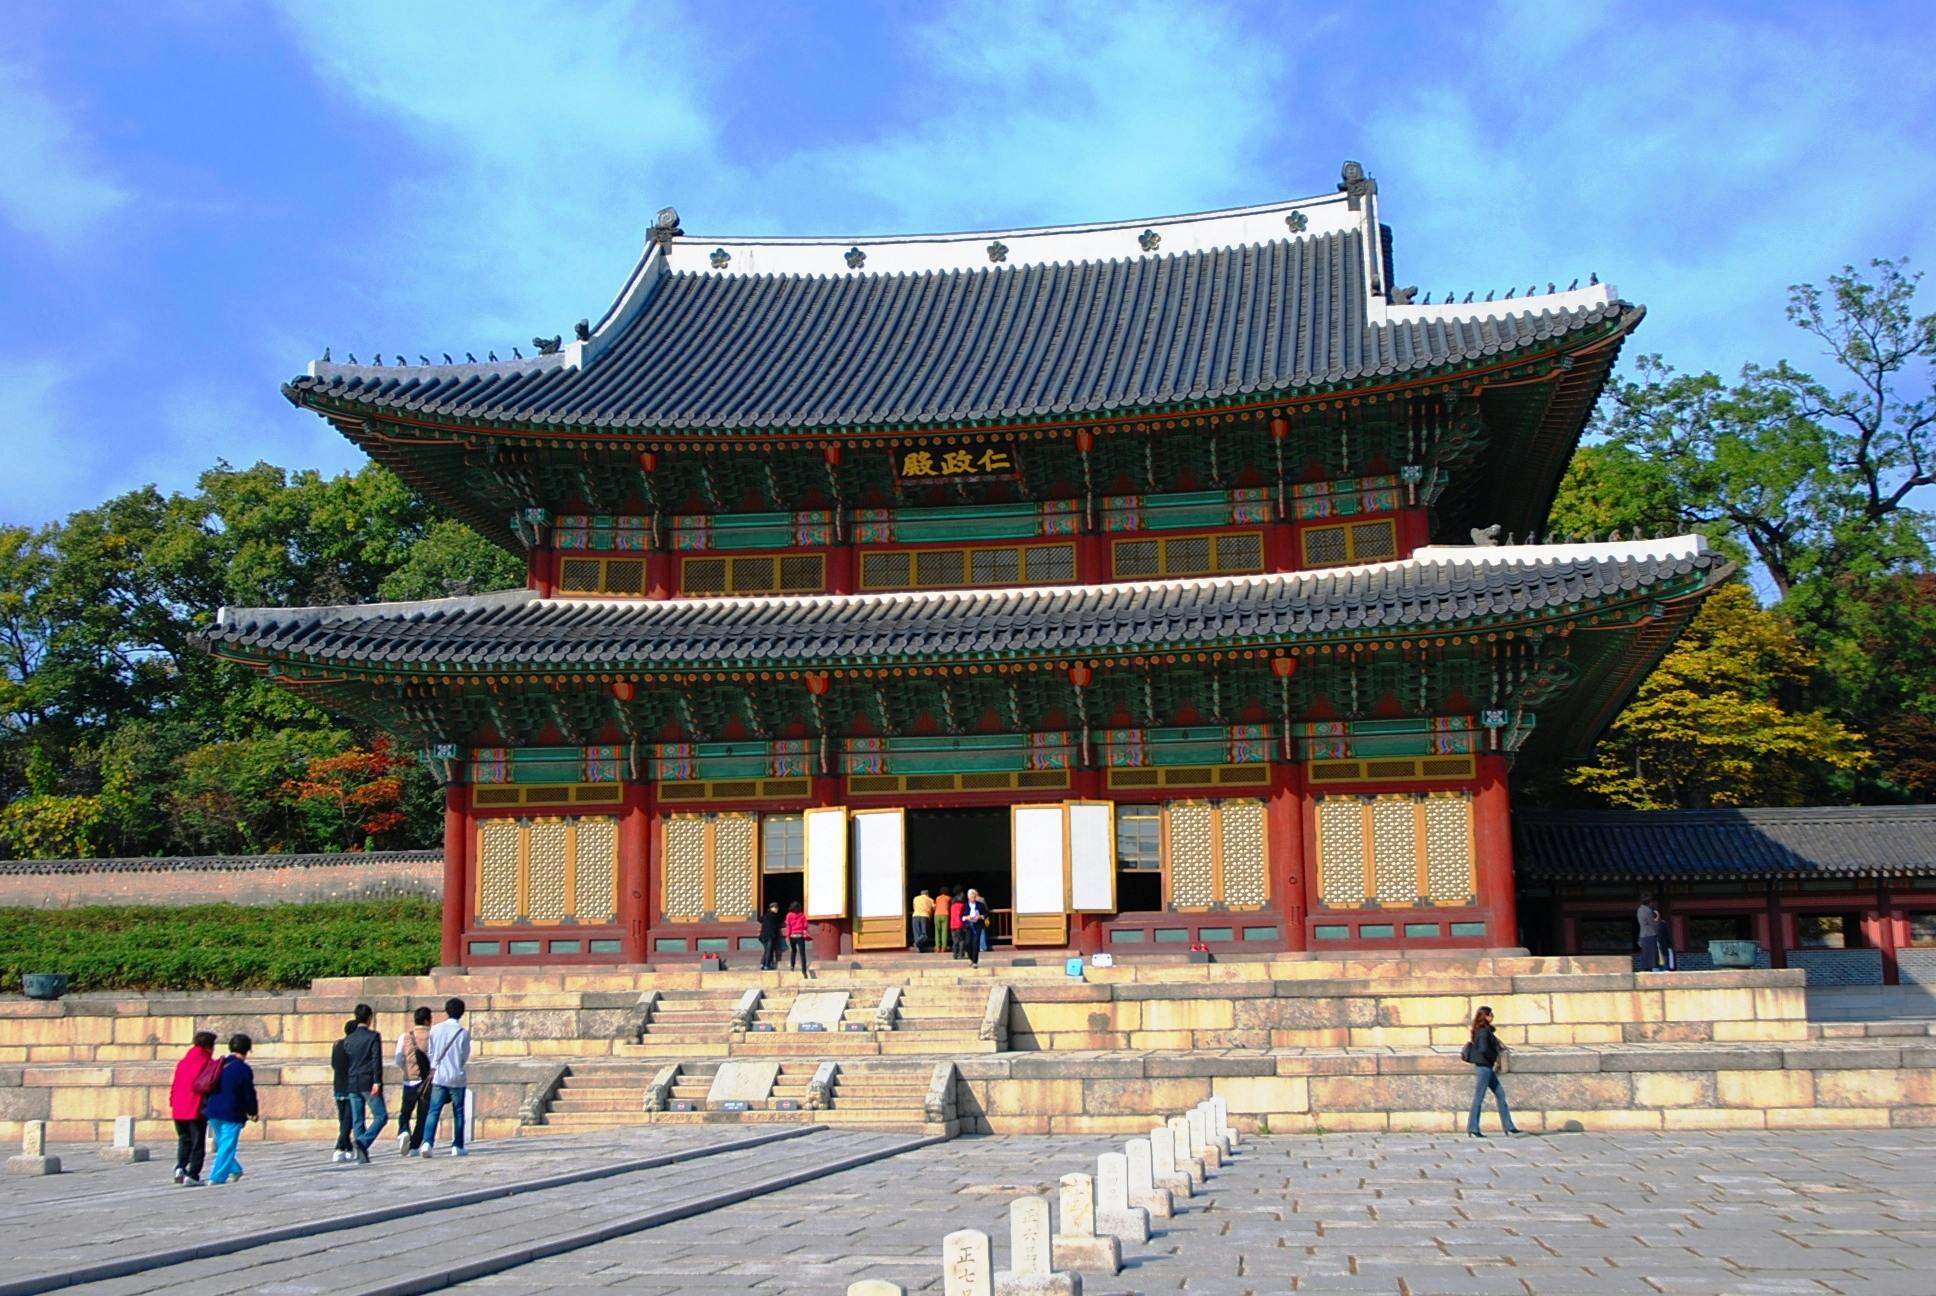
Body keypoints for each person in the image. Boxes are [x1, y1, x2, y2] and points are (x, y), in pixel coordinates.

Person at [419, 998, 472, 1158]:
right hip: (456, 1076)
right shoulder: (463, 1033)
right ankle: (457, 1145)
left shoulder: (435, 1029)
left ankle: (427, 1142)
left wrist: (435, 1064)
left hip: (439, 1076)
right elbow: (464, 1056)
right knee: (459, 1112)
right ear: (461, 1013)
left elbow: (430, 1052)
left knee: (433, 1111)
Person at [168, 1029, 221, 1186]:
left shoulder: (183, 1062)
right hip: (195, 1108)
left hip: (178, 1108)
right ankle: (193, 1174)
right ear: (209, 1047)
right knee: (197, 1143)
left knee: (184, 1140)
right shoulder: (207, 1063)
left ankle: (180, 1167)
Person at [204, 1034, 258, 1185]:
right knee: (227, 1145)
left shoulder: (219, 1064)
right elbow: (249, 1092)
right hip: (232, 1111)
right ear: (247, 1050)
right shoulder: (243, 1069)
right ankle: (217, 1177)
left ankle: (235, 1169)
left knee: (223, 1143)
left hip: (213, 1109)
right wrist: (253, 1111)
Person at [1462, 1006, 1521, 1138]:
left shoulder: (1483, 1030)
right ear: (1486, 1016)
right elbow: (1483, 1049)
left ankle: (1509, 1126)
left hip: (1486, 1067)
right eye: (1491, 1014)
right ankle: (1473, 1127)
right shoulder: (1483, 1032)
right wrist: (1493, 1056)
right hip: (1484, 1067)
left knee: (1500, 1094)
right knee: (1479, 1097)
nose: (1492, 1017)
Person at [342, 1002, 388, 1164]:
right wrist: (378, 1081)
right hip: (368, 1080)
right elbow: (376, 1060)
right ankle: (363, 1142)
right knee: (381, 1116)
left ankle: (361, 1153)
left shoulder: (349, 1039)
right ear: (369, 1018)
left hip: (352, 1081)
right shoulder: (373, 1036)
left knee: (358, 1119)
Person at [395, 1006, 435, 1155]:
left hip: (409, 1080)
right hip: (426, 1083)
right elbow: (433, 1058)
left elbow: (398, 1058)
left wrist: (406, 1069)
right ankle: (414, 1147)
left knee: (405, 1111)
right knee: (422, 1116)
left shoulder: (405, 1037)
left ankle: (404, 1130)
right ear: (427, 1020)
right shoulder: (432, 1036)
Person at [328, 1019, 356, 1163]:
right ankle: (339, 1147)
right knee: (348, 1120)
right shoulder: (353, 1046)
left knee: (343, 1119)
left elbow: (334, 1064)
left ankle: (348, 1147)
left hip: (338, 1085)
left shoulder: (337, 1044)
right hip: (351, 1086)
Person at [960, 889, 988, 968]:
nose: (973, 897)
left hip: (977, 925)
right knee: (968, 943)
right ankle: (970, 958)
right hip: (968, 926)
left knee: (976, 943)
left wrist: (981, 917)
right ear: (968, 897)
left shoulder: (980, 905)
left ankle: (975, 961)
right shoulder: (964, 905)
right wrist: (966, 917)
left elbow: (986, 913)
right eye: (971, 896)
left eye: (974, 896)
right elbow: (960, 916)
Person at [784, 901, 811, 978]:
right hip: (800, 936)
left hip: (792, 936)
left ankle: (792, 966)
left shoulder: (789, 915)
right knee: (802, 954)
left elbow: (788, 926)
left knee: (793, 951)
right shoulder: (802, 915)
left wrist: (788, 936)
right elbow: (805, 925)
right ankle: (804, 971)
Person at [1636, 894, 1662, 972]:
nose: (1652, 903)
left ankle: (1646, 970)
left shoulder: (1640, 909)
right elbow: (1652, 924)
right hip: (1650, 935)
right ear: (1649, 902)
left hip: (1643, 935)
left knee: (1646, 956)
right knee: (1652, 958)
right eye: (1652, 902)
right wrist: (1657, 919)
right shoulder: (1648, 910)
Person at [758, 901, 785, 971]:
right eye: (775, 908)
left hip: (763, 936)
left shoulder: (765, 915)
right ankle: (767, 965)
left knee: (767, 950)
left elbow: (760, 919)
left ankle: (762, 964)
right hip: (770, 935)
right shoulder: (775, 916)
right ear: (773, 908)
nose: (776, 909)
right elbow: (781, 923)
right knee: (769, 950)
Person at [933, 886, 952, 955]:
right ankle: (944, 947)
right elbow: (950, 907)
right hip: (945, 914)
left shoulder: (937, 898)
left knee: (937, 931)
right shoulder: (949, 898)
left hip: (937, 915)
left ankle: (937, 947)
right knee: (944, 931)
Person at [949, 890, 967, 960]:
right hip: (959, 924)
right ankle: (961, 955)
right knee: (962, 940)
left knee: (955, 941)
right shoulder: (962, 906)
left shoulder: (952, 906)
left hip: (952, 925)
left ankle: (954, 955)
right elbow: (964, 914)